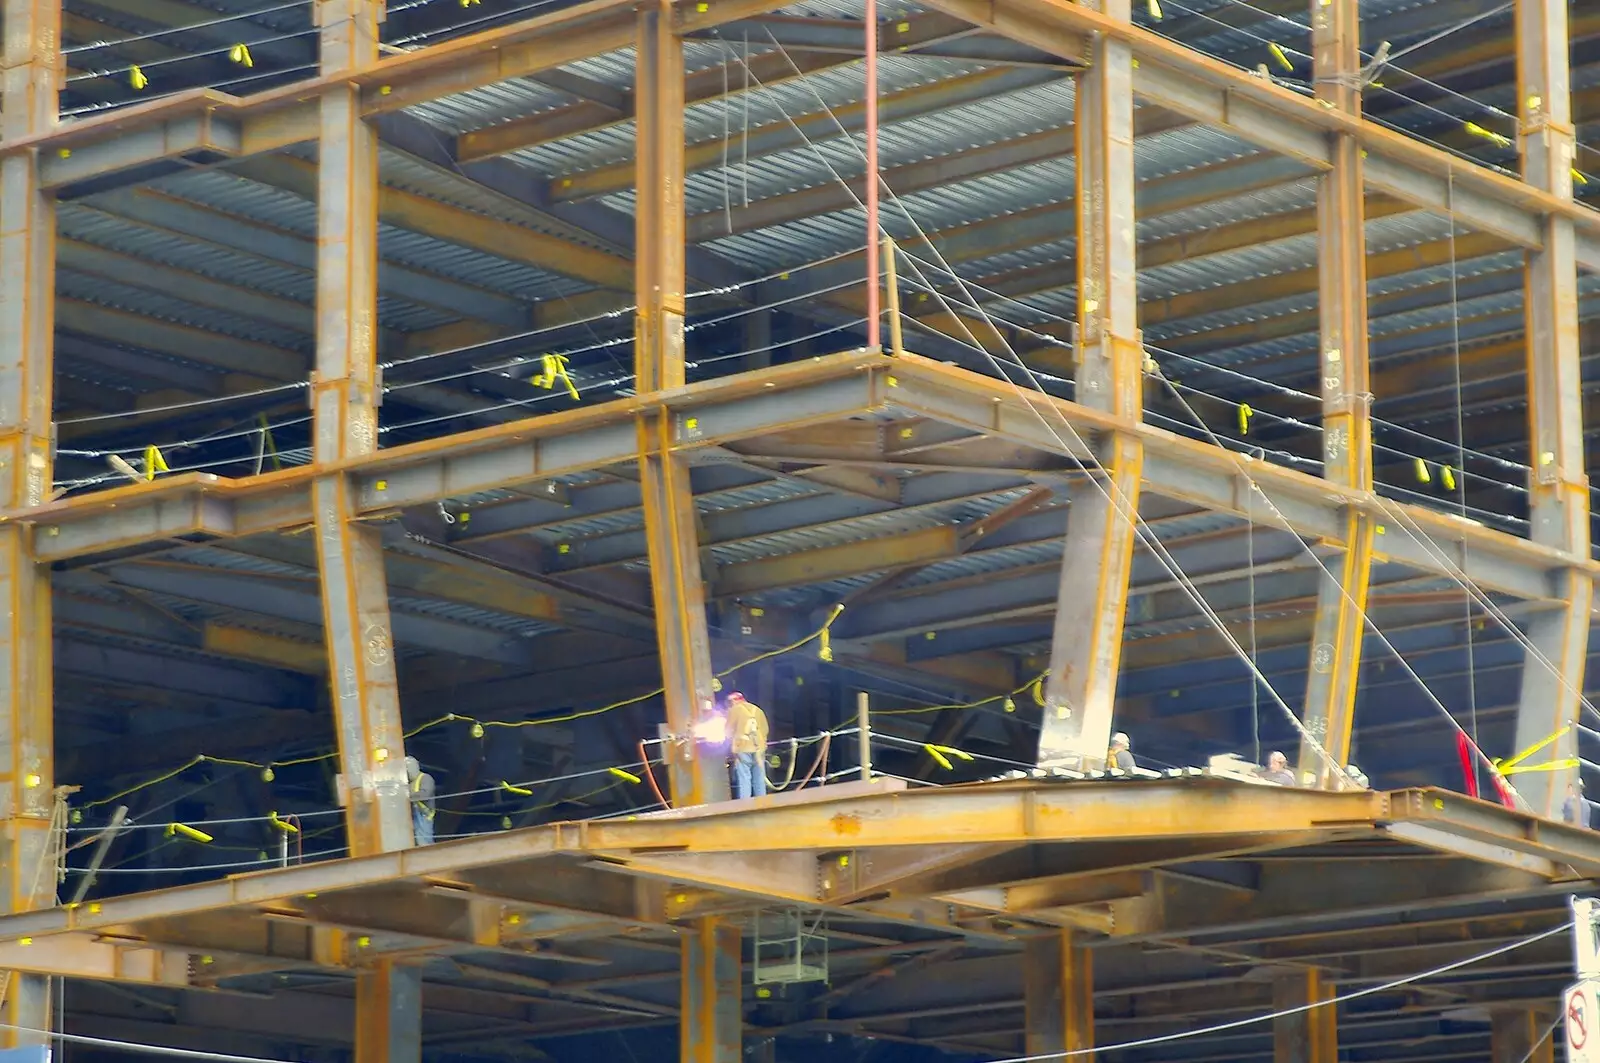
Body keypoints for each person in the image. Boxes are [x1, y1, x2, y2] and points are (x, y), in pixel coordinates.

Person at [726, 692, 769, 800]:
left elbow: (728, 730)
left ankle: (745, 805)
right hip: (759, 748)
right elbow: (765, 729)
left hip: (743, 747)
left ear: (733, 701)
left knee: (745, 778)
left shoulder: (735, 710)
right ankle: (762, 803)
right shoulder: (757, 710)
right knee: (759, 779)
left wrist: (730, 741)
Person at [405, 756, 436, 845]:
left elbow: (425, 794)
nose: (408, 772)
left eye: (409, 768)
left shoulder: (426, 778)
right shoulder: (408, 784)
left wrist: (407, 797)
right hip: (413, 815)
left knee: (424, 840)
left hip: (423, 814)